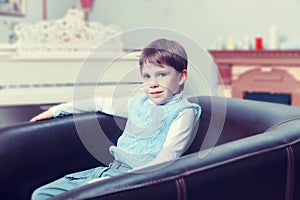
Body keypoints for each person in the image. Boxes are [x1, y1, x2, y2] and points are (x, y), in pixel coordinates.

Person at [31, 38, 201, 199]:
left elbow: (167, 158)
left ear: (181, 77)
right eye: (147, 76)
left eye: (161, 75)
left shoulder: (184, 112)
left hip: (134, 181)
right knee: (42, 194)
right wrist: (56, 111)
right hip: (109, 170)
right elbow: (98, 103)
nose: (153, 83)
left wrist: (116, 182)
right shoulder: (138, 102)